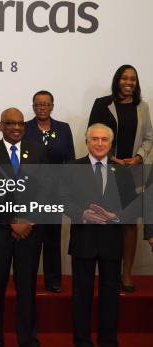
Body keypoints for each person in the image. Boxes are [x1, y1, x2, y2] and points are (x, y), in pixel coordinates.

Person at [60, 124, 137, 347]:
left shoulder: (121, 171)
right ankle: (82, 340)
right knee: (81, 294)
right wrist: (81, 213)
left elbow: (132, 207)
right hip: (83, 240)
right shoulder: (73, 167)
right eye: (95, 139)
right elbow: (63, 199)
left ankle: (108, 339)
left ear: (111, 144)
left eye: (104, 140)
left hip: (112, 242)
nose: (99, 144)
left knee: (110, 294)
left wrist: (114, 216)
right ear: (86, 142)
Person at [0, 108, 48, 347]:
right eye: (10, 123)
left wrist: (27, 219)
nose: (16, 127)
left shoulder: (38, 151)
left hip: (29, 232)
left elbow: (45, 188)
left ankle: (27, 338)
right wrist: (12, 221)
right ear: (0, 126)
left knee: (27, 287)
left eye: (20, 123)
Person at [88, 64, 153, 292]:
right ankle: (108, 271)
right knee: (105, 220)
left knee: (128, 222)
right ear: (117, 80)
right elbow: (93, 132)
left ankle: (126, 273)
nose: (129, 82)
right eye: (125, 78)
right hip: (107, 168)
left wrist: (137, 158)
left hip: (132, 172)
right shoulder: (102, 104)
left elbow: (148, 138)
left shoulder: (142, 107)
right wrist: (109, 157)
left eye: (133, 79)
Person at [24, 90, 75, 293]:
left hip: (55, 193)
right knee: (31, 239)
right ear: (33, 106)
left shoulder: (63, 128)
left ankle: (53, 280)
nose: (42, 108)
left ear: (52, 106)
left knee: (52, 239)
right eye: (38, 104)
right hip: (29, 193)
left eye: (46, 104)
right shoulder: (25, 128)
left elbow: (70, 161)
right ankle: (27, 279)